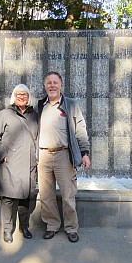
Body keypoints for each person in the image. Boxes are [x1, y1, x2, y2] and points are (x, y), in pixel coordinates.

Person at [38, 72, 91, 243]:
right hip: (43, 155)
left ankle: (71, 228)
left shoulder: (71, 105)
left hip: (63, 155)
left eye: (55, 82)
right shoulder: (40, 105)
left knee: (68, 194)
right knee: (46, 195)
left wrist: (85, 154)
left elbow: (80, 131)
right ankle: (52, 225)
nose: (52, 86)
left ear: (61, 85)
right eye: (49, 83)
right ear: (45, 85)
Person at [0, 84, 38, 243]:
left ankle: (24, 227)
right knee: (8, 199)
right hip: (10, 164)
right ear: (13, 96)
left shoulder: (34, 116)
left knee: (26, 199)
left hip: (29, 164)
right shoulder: (4, 114)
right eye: (18, 94)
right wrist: (3, 155)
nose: (21, 97)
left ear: (28, 96)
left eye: (24, 94)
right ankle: (7, 230)